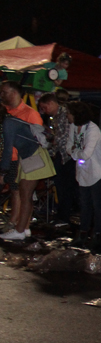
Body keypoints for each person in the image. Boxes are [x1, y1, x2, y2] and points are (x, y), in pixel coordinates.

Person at [0, 81, 47, 240]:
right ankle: (21, 227)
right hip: (22, 157)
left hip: (27, 158)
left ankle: (18, 227)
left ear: (14, 93)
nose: (2, 95)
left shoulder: (25, 115)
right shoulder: (8, 114)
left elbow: (38, 137)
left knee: (23, 193)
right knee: (20, 192)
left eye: (4, 92)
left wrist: (4, 170)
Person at [66, 101, 101, 249]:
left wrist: (75, 152)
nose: (68, 115)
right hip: (83, 173)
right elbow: (69, 147)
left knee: (97, 205)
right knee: (84, 204)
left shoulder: (93, 130)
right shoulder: (73, 127)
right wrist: (76, 153)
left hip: (98, 173)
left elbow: (85, 154)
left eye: (69, 113)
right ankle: (83, 232)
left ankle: (97, 233)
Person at [37, 92, 77, 228]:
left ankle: (65, 216)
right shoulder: (55, 117)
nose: (44, 111)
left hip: (68, 156)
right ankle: (62, 215)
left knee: (66, 187)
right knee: (60, 186)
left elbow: (65, 137)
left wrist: (52, 139)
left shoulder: (64, 115)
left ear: (51, 104)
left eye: (44, 107)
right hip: (61, 155)